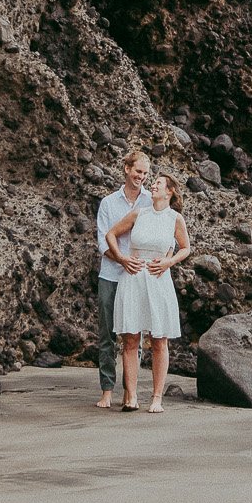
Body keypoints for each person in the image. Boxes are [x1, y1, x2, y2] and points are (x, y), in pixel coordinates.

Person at [104, 169, 191, 413]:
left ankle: (156, 398)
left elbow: (185, 248)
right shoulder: (138, 214)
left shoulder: (175, 218)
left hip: (158, 279)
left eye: (158, 184)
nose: (152, 186)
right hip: (133, 278)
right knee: (130, 339)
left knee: (158, 340)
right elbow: (110, 234)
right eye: (153, 183)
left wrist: (169, 262)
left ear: (169, 191)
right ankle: (131, 396)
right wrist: (122, 258)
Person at [93, 148, 151, 410]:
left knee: (134, 336)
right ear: (127, 169)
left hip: (137, 277)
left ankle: (131, 392)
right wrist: (123, 260)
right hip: (111, 275)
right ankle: (107, 390)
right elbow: (103, 242)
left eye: (146, 173)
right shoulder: (108, 203)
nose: (142, 177)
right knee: (106, 335)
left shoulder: (150, 202)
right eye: (138, 171)